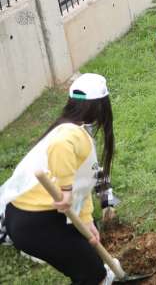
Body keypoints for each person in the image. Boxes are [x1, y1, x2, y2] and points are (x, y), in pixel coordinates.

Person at [0, 74, 117, 285]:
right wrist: (65, 189)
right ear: (101, 106)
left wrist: (88, 219)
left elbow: (84, 181)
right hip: (34, 222)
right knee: (92, 275)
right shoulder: (69, 132)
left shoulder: (72, 127)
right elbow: (61, 146)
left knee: (93, 269)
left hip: (44, 216)